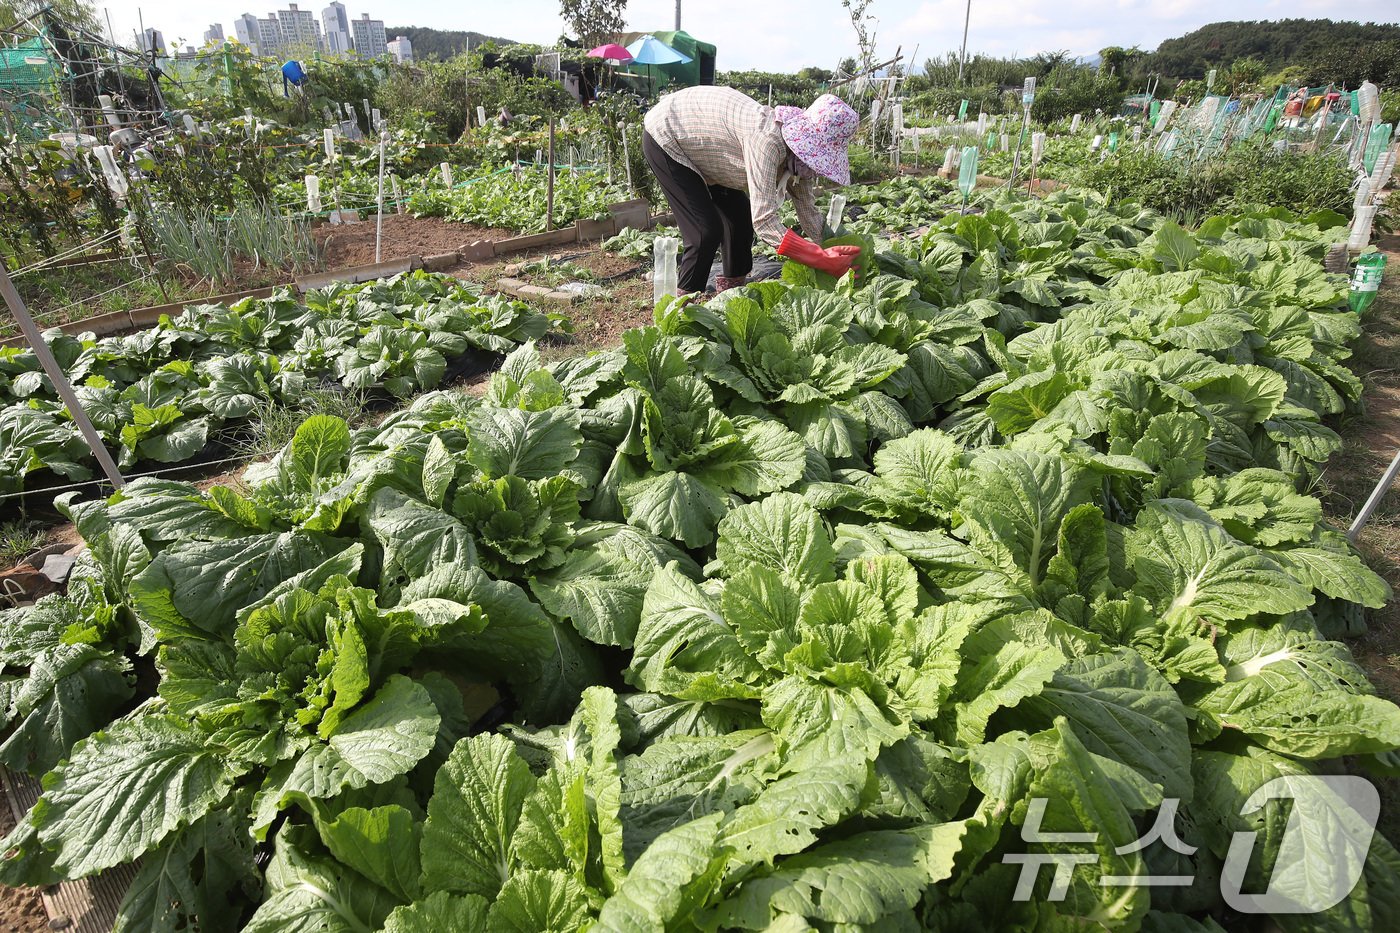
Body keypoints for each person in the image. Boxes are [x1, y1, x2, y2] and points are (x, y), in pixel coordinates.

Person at [642, 86, 862, 294]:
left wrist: (834, 248)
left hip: (711, 150)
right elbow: (765, 222)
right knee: (705, 232)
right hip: (669, 134)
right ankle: (681, 311)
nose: (817, 169)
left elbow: (808, 211)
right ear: (806, 144)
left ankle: (731, 293)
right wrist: (821, 258)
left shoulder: (800, 159)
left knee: (740, 221)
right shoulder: (768, 142)